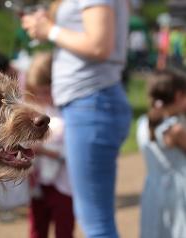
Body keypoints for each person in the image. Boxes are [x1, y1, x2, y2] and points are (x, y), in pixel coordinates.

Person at [22, 1, 132, 237]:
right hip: (91, 102)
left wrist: (50, 30)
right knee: (95, 218)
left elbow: (99, 45)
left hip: (91, 102)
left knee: (95, 222)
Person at [25, 52, 74, 238]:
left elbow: (71, 153)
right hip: (38, 184)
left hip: (63, 185)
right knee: (37, 229)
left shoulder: (68, 114)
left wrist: (43, 151)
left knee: (64, 230)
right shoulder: (37, 111)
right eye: (37, 92)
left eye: (46, 91)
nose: (42, 96)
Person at [140, 71, 186, 238]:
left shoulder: (143, 123)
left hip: (153, 191)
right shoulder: (175, 130)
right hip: (177, 193)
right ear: (179, 96)